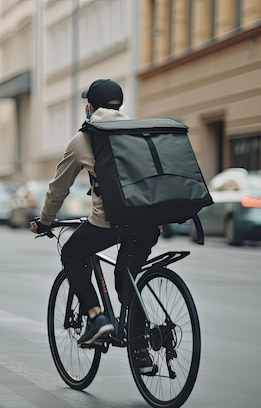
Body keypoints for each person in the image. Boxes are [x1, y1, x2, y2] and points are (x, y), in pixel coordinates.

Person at [30, 79, 160, 374]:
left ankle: (95, 316)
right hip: (148, 221)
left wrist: (45, 221)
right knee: (128, 279)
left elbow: (58, 189)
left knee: (73, 254)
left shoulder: (83, 138)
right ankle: (140, 350)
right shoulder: (137, 131)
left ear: (90, 107)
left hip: (109, 223)